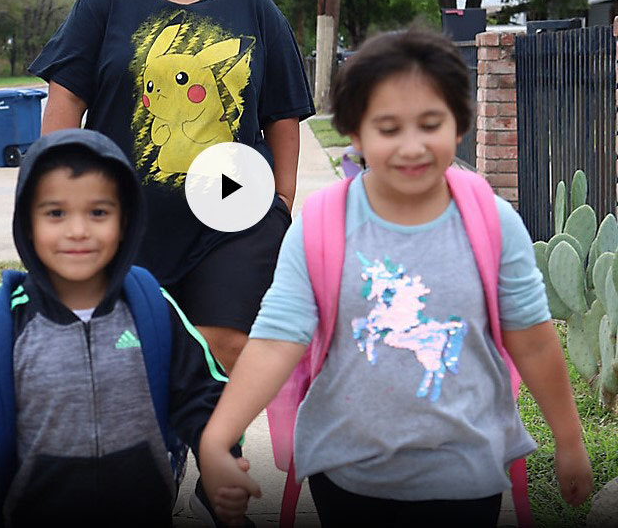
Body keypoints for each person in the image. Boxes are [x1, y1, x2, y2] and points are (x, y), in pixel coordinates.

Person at [197, 29, 594, 526]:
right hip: (346, 476)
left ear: (459, 125)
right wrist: (216, 440)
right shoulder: (323, 224)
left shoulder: (493, 223)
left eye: (431, 124)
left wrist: (569, 439)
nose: (412, 147)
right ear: (356, 134)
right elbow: (277, 340)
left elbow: (532, 340)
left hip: (467, 473)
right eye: (388, 128)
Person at [29, 0, 315, 376]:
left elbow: (283, 113)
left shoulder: (254, 7)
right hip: (125, 214)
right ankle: (161, 448)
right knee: (133, 349)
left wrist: (282, 200)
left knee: (225, 342)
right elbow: (65, 101)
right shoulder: (106, 1)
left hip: (233, 214)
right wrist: (58, 190)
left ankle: (216, 445)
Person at [0, 128, 237, 527]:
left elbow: (206, 394)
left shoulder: (150, 307)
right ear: (27, 222)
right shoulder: (4, 322)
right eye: (55, 213)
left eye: (98, 212)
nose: (77, 231)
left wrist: (219, 455)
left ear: (125, 219)